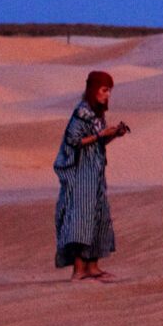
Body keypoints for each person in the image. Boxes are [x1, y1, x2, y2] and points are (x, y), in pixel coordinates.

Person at [54, 70, 128, 281]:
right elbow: (74, 141)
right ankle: (79, 270)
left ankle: (93, 267)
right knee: (81, 219)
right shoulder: (82, 112)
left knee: (99, 216)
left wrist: (113, 134)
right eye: (104, 90)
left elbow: (99, 142)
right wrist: (99, 135)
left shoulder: (97, 114)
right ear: (94, 90)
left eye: (109, 91)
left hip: (96, 173)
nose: (107, 95)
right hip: (81, 174)